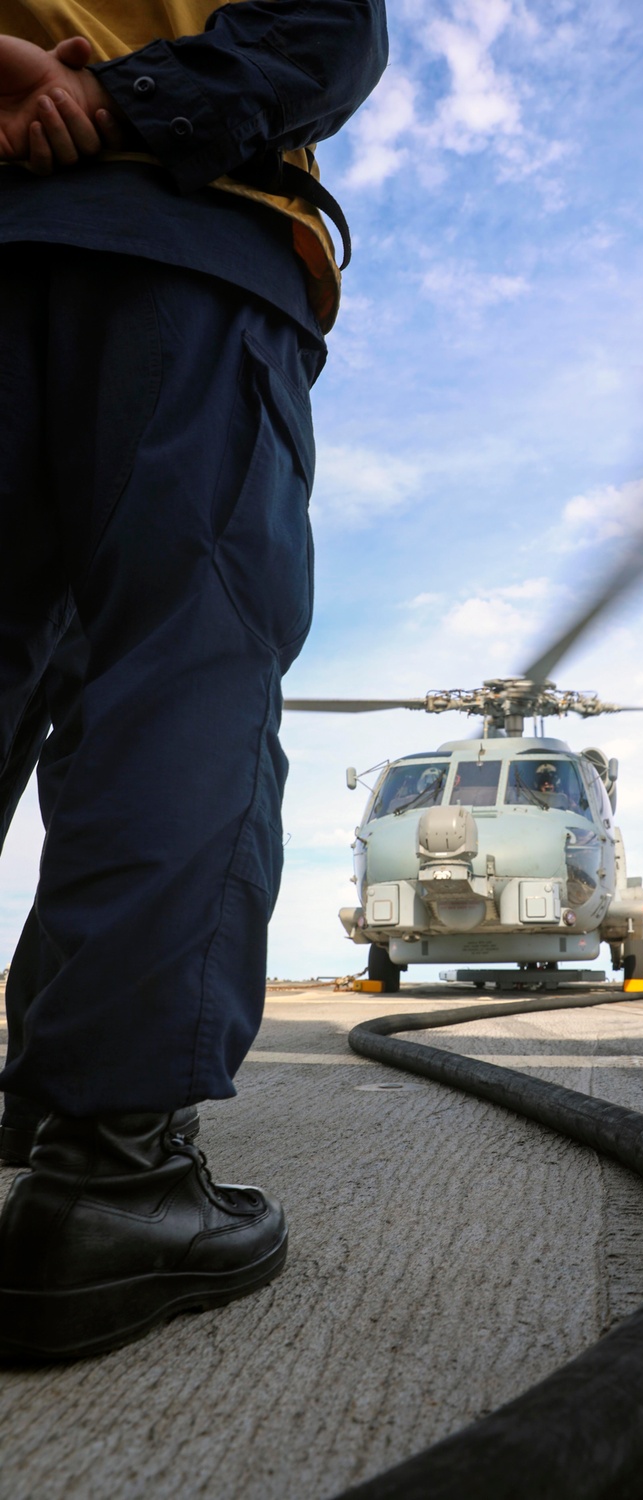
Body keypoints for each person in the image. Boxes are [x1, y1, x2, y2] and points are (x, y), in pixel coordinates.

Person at [0, 1, 387, 1362]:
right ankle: (112, 1175)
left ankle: (36, 1100)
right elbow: (325, 31)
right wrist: (115, 104)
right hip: (180, 247)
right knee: (182, 675)